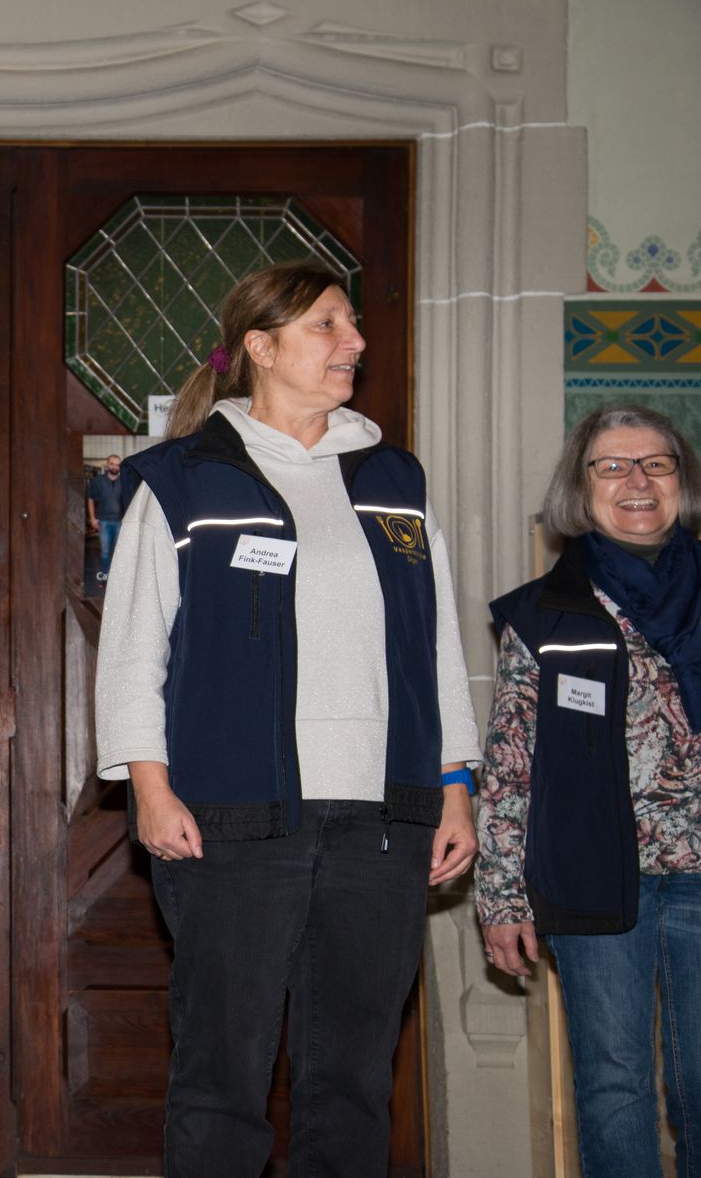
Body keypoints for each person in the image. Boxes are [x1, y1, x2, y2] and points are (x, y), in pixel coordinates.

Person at [94, 260, 480, 1177]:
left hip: (384, 818)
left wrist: (455, 786)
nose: (354, 344)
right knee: (223, 1076)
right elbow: (134, 650)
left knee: (353, 1078)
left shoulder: (395, 479)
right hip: (232, 816)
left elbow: (438, 644)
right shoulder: (182, 480)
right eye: (327, 326)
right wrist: (149, 787)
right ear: (260, 349)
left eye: (353, 326)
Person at [476, 404, 701, 1178]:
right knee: (614, 1090)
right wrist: (501, 897)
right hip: (592, 880)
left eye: (657, 464)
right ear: (581, 488)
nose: (638, 480)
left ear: (682, 482)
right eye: (613, 466)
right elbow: (511, 764)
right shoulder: (544, 613)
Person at [87, 453, 125, 583]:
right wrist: (92, 518)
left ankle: (117, 576)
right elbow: (91, 499)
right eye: (112, 464)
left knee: (118, 550)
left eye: (117, 465)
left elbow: (129, 501)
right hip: (103, 521)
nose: (115, 467)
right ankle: (105, 574)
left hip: (119, 521)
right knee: (105, 551)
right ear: (107, 465)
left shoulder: (124, 481)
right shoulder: (98, 481)